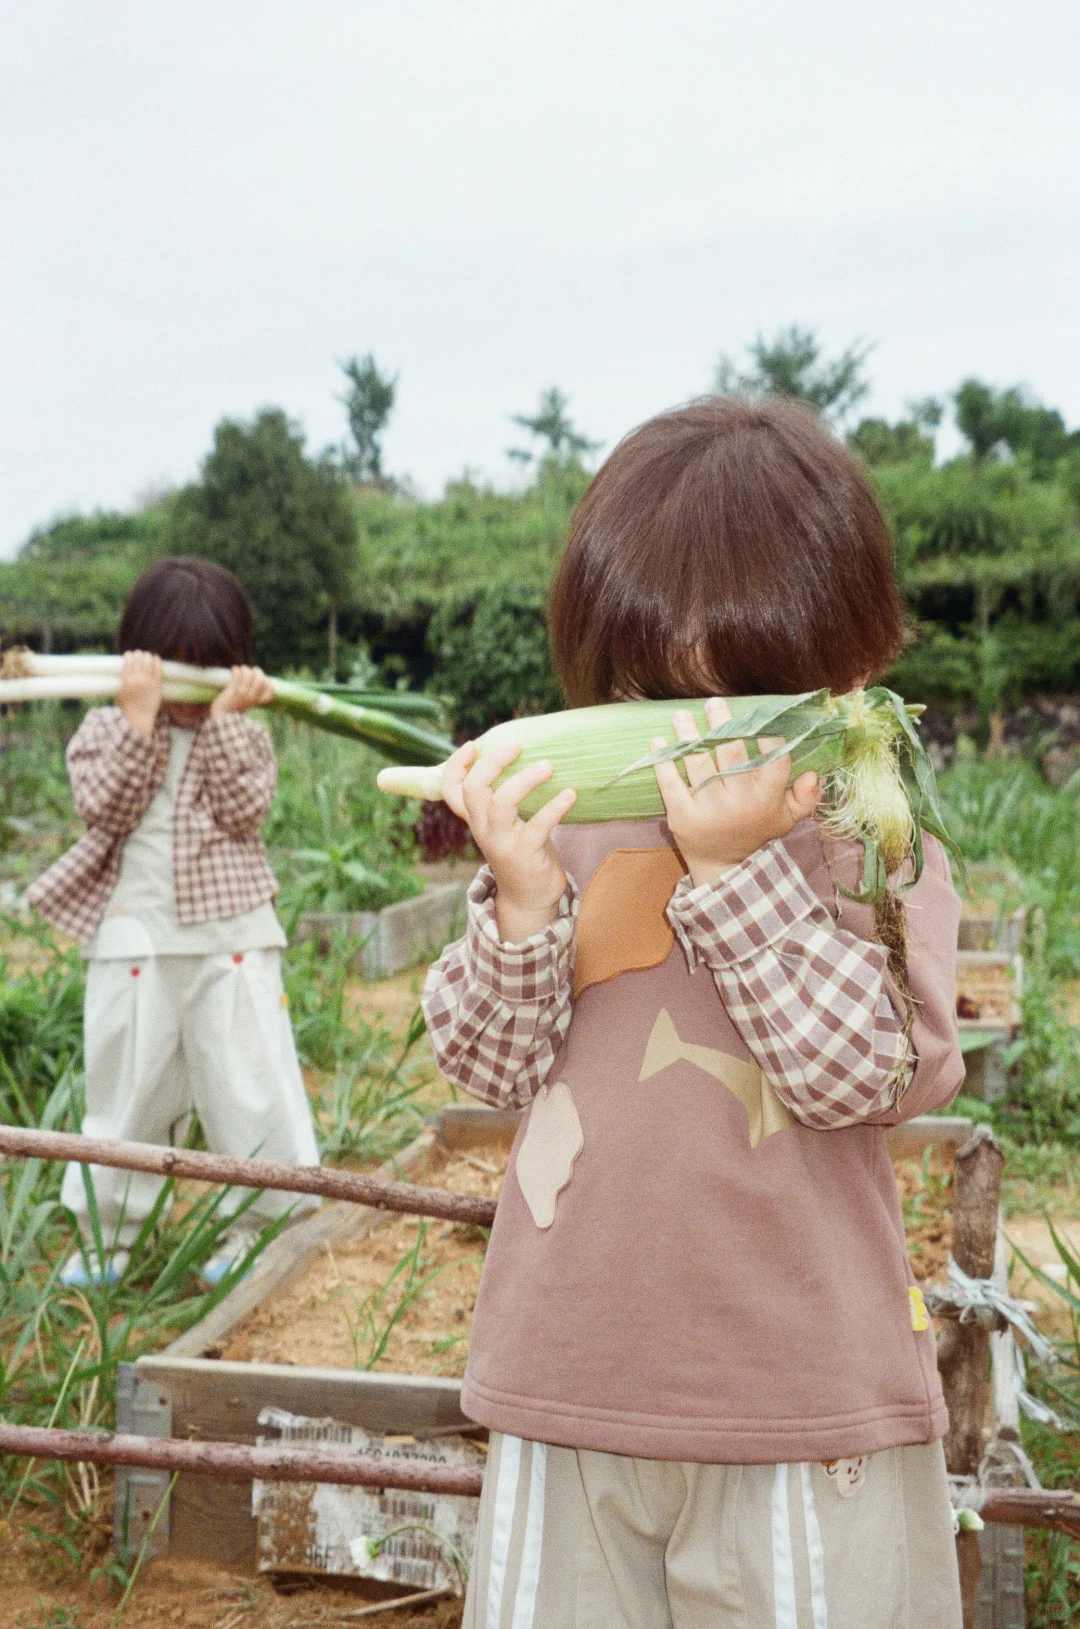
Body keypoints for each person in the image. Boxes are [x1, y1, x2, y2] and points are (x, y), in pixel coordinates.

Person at [423, 398, 965, 1628]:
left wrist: (735, 873)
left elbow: (867, 1075)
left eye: (742, 700)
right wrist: (518, 902)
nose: (690, 747)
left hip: (799, 1400)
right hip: (567, 1386)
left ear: (853, 668)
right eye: (647, 692)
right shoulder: (569, 834)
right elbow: (487, 1064)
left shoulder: (877, 851)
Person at [28, 556, 319, 1287]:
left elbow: (244, 809)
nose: (191, 687)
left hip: (234, 942)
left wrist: (223, 724)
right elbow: (104, 806)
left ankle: (263, 1229)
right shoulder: (106, 726)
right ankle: (108, 1238)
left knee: (250, 1085)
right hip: (136, 941)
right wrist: (134, 720)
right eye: (178, 666)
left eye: (210, 667)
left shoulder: (244, 732)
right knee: (126, 1092)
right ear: (141, 658)